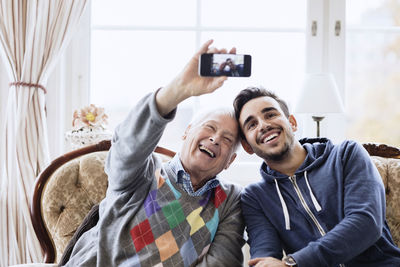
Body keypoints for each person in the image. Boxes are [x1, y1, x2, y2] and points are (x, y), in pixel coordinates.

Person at [63, 40, 245, 267]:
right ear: (187, 132)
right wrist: (177, 90)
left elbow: (222, 262)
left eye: (227, 140)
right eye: (209, 127)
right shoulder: (146, 172)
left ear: (231, 161)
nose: (215, 139)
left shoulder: (229, 199)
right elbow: (125, 148)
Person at [233, 87, 400, 267]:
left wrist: (293, 263)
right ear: (247, 146)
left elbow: (366, 223)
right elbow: (264, 256)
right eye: (252, 125)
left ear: (292, 123)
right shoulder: (255, 197)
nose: (264, 125)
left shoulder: (346, 155)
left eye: (270, 115)